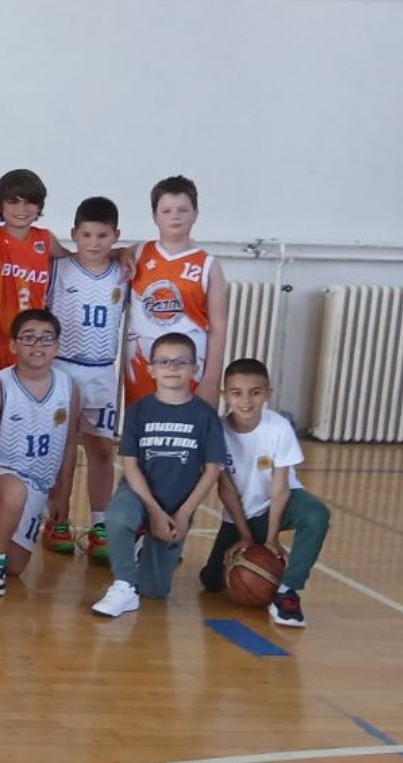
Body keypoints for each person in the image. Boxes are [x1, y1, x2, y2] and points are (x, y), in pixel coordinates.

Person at [91, 332, 224, 618]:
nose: (172, 368)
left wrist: (183, 514)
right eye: (164, 361)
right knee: (118, 516)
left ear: (195, 368)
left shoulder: (205, 416)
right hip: (138, 494)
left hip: (178, 503)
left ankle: (143, 552)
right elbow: (129, 465)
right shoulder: (138, 411)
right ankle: (124, 585)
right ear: (151, 369)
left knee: (154, 590)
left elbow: (212, 470)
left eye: (181, 362)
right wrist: (153, 511)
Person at [202, 357, 331, 629]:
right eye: (237, 393)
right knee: (212, 581)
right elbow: (225, 488)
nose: (246, 401)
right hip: (240, 515)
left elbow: (280, 488)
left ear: (267, 394)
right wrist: (246, 536)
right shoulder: (217, 430)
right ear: (225, 395)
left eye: (255, 392)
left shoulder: (278, 427)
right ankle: (237, 560)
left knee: (317, 514)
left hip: (278, 506)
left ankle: (288, 591)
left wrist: (272, 539)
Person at [0, 310, 79, 598]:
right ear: (13, 345)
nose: (37, 345)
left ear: (57, 346)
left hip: (38, 482)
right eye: (28, 338)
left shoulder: (68, 387)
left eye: (46, 338)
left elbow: (69, 444)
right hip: (0, 473)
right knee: (14, 492)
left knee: (15, 565)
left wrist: (64, 493)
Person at [44, 196, 131, 563]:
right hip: (63, 368)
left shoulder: (123, 272)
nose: (94, 243)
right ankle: (57, 518)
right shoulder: (58, 269)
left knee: (101, 449)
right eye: (87, 235)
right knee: (62, 449)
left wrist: (126, 253)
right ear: (74, 234)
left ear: (116, 236)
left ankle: (100, 523)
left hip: (101, 370)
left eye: (102, 235)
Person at [126, 175, 228, 410]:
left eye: (183, 210)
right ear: (155, 216)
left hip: (189, 361)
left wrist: (211, 381)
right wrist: (121, 253)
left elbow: (219, 328)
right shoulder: (137, 253)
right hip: (142, 358)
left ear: (195, 214)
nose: (175, 216)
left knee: (185, 424)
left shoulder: (208, 265)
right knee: (143, 423)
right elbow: (107, 255)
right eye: (167, 211)